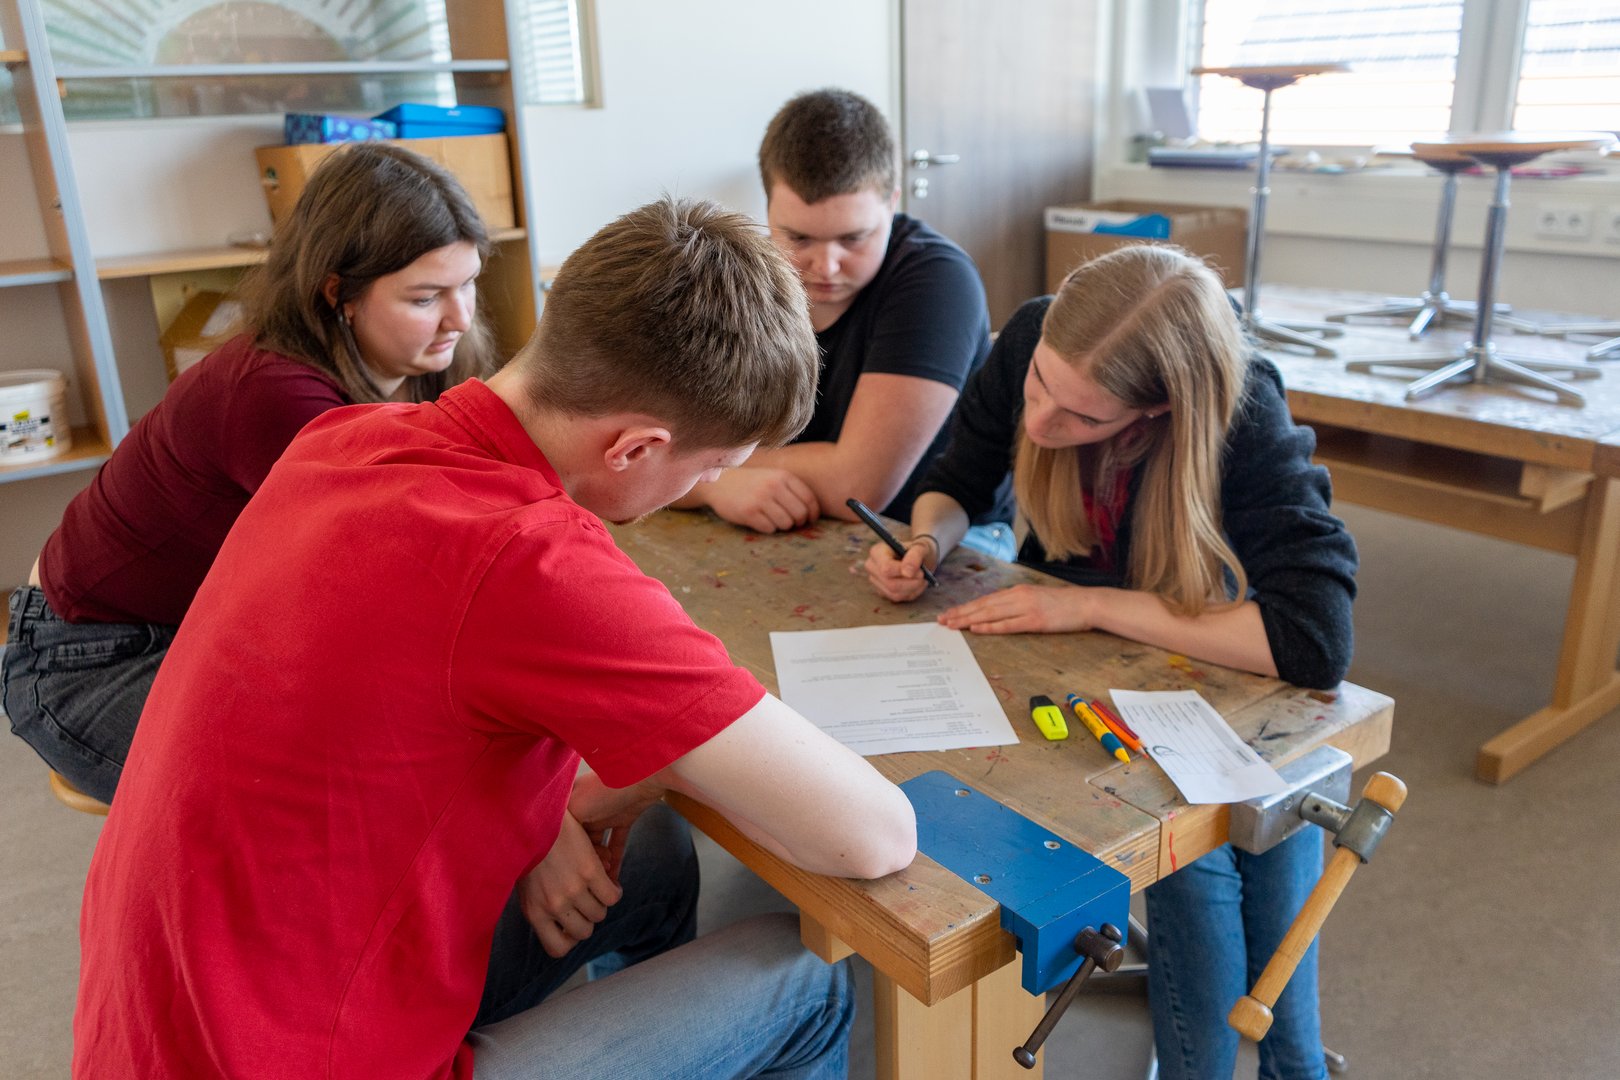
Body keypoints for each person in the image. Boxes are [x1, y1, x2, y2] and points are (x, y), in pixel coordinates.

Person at [72, 196, 918, 1080]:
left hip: (160, 1029)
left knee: (651, 862)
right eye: (710, 468)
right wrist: (668, 759)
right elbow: (873, 836)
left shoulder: (345, 437)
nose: (704, 486)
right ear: (635, 448)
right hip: (309, 1060)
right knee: (806, 976)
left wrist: (623, 776)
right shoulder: (533, 564)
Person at [863, 244, 1358, 1080]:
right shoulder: (1035, 336)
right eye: (1038, 388)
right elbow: (957, 481)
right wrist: (925, 541)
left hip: (1200, 655)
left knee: (1226, 841)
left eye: (1082, 418)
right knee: (1195, 859)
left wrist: (1086, 606)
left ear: (1158, 410)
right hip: (1069, 661)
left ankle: (1288, 1064)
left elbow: (1314, 640)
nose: (1040, 425)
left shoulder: (1240, 404)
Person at [3, 142, 498, 805]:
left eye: (468, 283)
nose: (460, 317)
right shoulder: (277, 397)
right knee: (357, 794)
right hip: (91, 657)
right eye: (426, 296)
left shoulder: (427, 356)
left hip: (213, 630)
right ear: (338, 294)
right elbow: (401, 578)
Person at [673, 87, 1014, 545]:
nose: (826, 266)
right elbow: (653, 447)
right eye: (798, 238)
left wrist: (707, 469)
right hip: (786, 518)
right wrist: (715, 486)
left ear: (892, 203)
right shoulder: (742, 274)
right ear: (767, 208)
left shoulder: (939, 281)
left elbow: (858, 486)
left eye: (853, 238)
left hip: (941, 537)